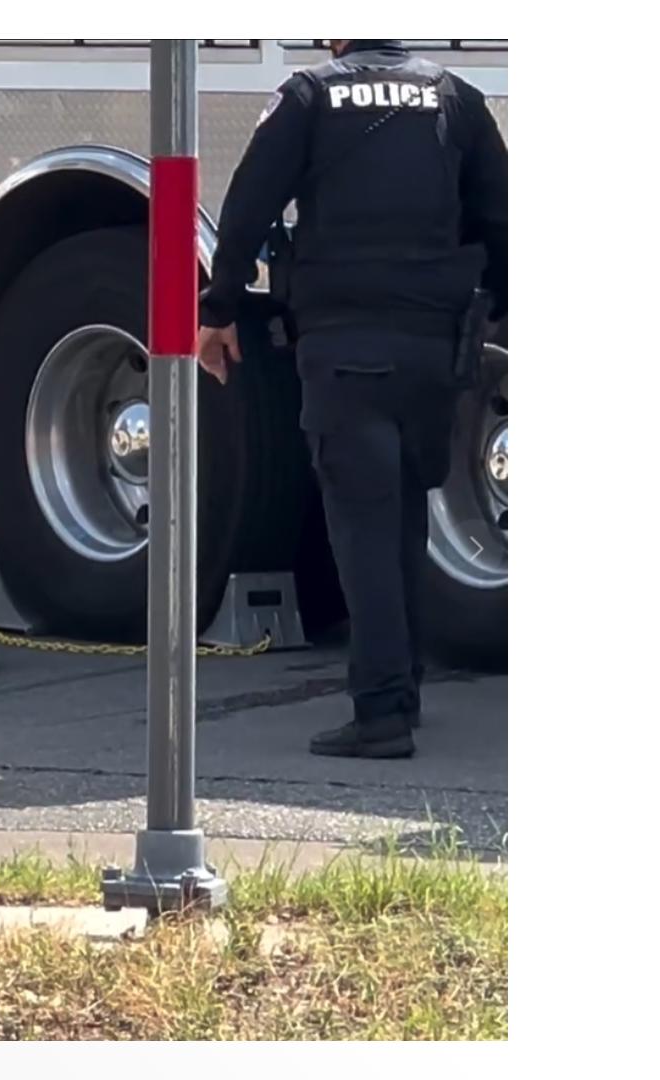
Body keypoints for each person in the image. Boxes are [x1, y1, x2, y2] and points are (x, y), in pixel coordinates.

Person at [195, 40, 507, 759]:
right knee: (401, 517)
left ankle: (380, 715)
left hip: (345, 348)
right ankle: (403, 688)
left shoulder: (309, 96)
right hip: (436, 352)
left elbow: (247, 208)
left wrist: (218, 310)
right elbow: (502, 219)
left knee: (362, 527)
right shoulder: (455, 97)